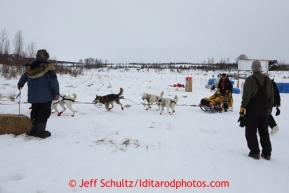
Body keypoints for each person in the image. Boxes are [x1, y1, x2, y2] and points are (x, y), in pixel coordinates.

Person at [18, 49, 59, 138]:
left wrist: (20, 84)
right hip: (45, 96)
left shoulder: (30, 67)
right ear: (46, 57)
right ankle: (40, 131)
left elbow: (24, 77)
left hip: (33, 96)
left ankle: (32, 130)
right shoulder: (48, 68)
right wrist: (56, 93)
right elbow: (53, 82)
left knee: (35, 112)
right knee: (44, 112)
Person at [238, 60, 274, 160]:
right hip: (264, 109)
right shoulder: (268, 80)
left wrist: (242, 110)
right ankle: (267, 153)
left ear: (252, 68)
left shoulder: (250, 80)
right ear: (261, 68)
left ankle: (255, 152)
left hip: (252, 109)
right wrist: (270, 108)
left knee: (251, 131)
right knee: (264, 131)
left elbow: (246, 97)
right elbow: (271, 97)